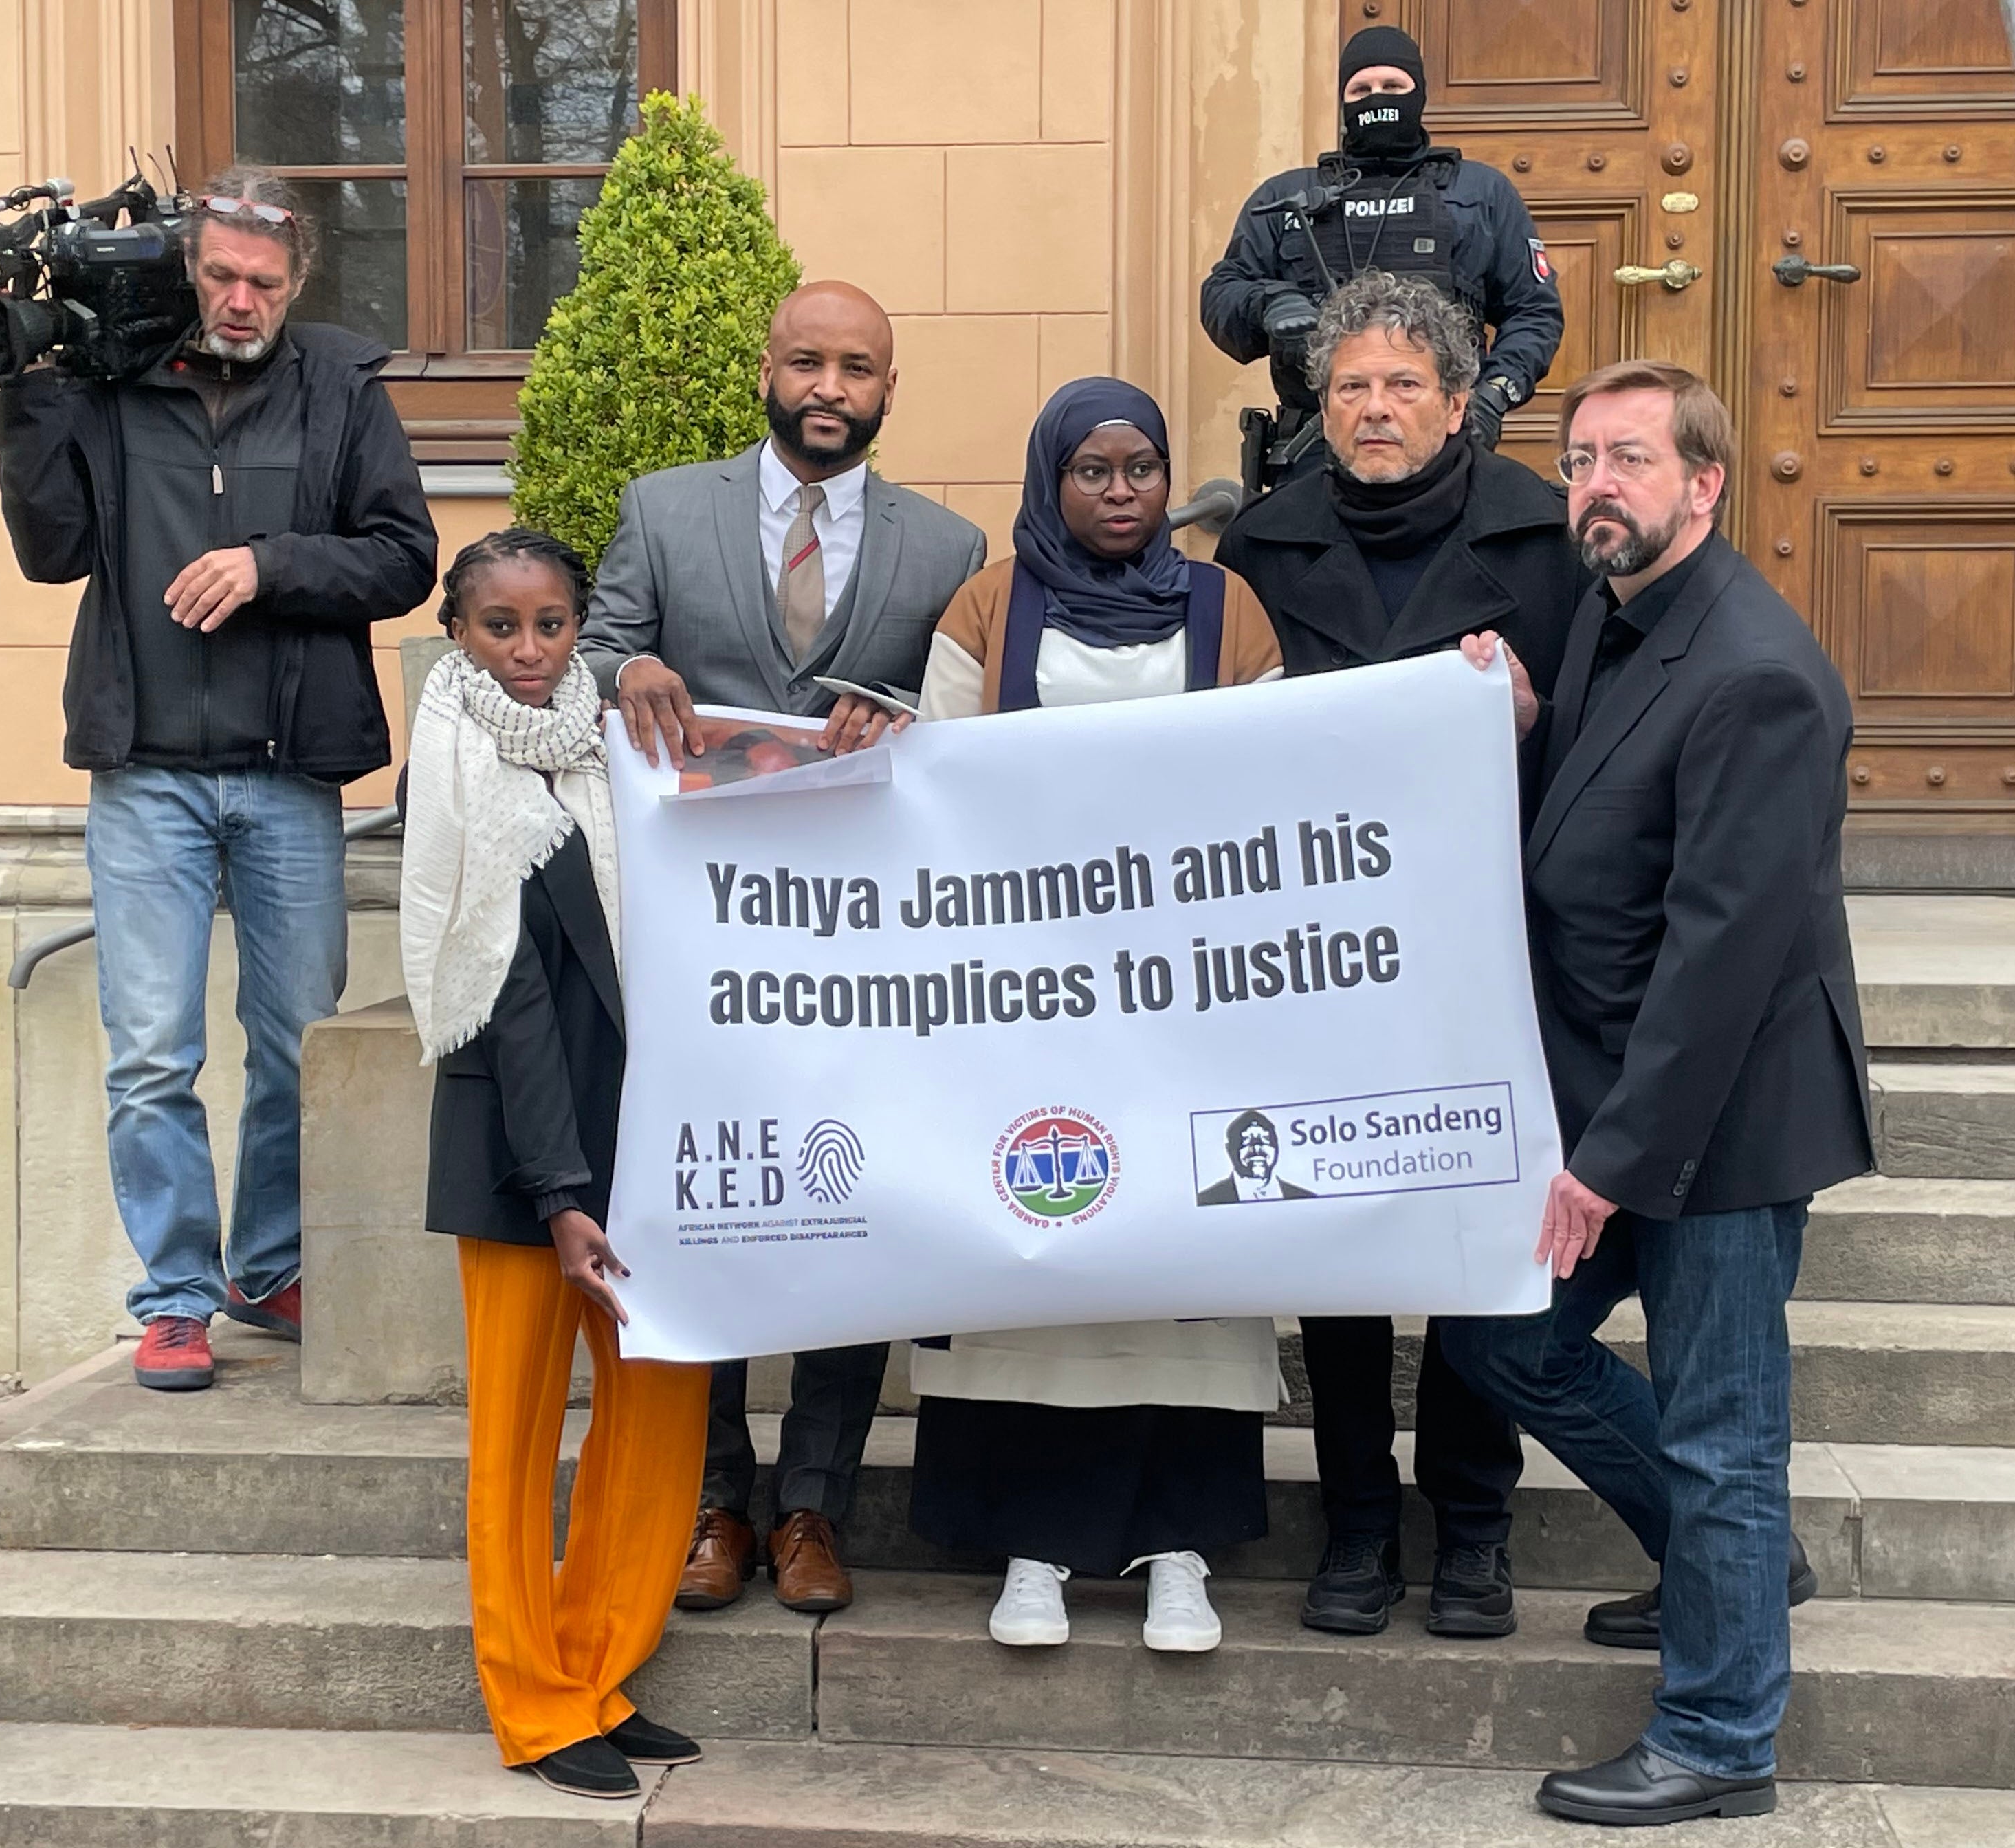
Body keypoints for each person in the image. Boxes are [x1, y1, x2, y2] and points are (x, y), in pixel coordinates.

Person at [909, 376, 1537, 1657]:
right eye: (1092, 468)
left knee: (1180, 1266)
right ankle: (1033, 1545)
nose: (1122, 488)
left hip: (1190, 1004)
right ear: (1051, 478)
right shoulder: (984, 603)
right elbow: (933, 788)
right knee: (1042, 1249)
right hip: (1025, 1000)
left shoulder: (1225, 604)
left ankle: (1177, 1546)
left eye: (1141, 465)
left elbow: (1274, 775)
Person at [1432, 362, 1874, 1827]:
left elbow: (1720, 963)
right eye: (1579, 463)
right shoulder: (1626, 626)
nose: (1595, 488)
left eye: (1628, 460)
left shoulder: (1756, 671)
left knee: (1722, 1429)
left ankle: (1719, 1733)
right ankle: (1724, 1565)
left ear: (1708, 482)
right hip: (1627, 1106)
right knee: (1508, 1343)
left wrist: (1606, 1159)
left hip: (1722, 1128)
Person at [577, 280, 987, 1617]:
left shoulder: (946, 547)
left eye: (857, 369)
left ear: (887, 387)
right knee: (699, 1209)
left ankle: (815, 1505)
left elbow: (968, 729)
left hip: (864, 959)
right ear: (767, 368)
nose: (829, 388)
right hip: (700, 960)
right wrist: (622, 668)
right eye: (807, 361)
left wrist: (907, 718)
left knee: (850, 1215)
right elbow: (590, 650)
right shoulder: (663, 509)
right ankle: (716, 1500)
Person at [0, 164, 437, 1390]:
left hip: (292, 775)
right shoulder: (112, 377)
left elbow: (405, 557)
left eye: (263, 281)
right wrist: (28, 398)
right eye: (220, 276)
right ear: (190, 271)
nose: (240, 300)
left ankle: (267, 1262)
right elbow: (53, 552)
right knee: (151, 1052)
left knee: (299, 1045)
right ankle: (178, 1296)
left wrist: (267, 562)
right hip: (146, 775)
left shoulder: (340, 385)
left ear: (296, 282)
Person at [1215, 267, 1573, 1642]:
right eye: (1351, 386)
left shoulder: (1543, 538)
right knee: (1345, 1243)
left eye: (1403, 386)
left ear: (1459, 401)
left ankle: (1473, 1529)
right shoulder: (1261, 543)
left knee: (1480, 1237)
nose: (1375, 409)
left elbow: (1588, 736)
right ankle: (1358, 1524)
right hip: (1322, 954)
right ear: (1320, 402)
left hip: (1491, 945)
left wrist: (1528, 718)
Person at [399, 529, 709, 1803]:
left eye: (550, 624)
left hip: (639, 1140)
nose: (529, 653)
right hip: (525, 1159)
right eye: (499, 627)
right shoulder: (457, 766)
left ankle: (597, 1670)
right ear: (456, 631)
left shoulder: (614, 747)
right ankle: (530, 1702)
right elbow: (511, 1001)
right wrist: (562, 1192)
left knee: (657, 1420)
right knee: (515, 1444)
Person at [1201, 25, 1563, 492]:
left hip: (1445, 447)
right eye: (1362, 88)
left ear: (1419, 94)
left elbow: (1534, 312)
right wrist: (1268, 303)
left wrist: (1494, 393)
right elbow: (1221, 293)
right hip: (1314, 451)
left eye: (1393, 86)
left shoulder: (1480, 194)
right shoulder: (1287, 196)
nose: (1377, 98)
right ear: (1344, 100)